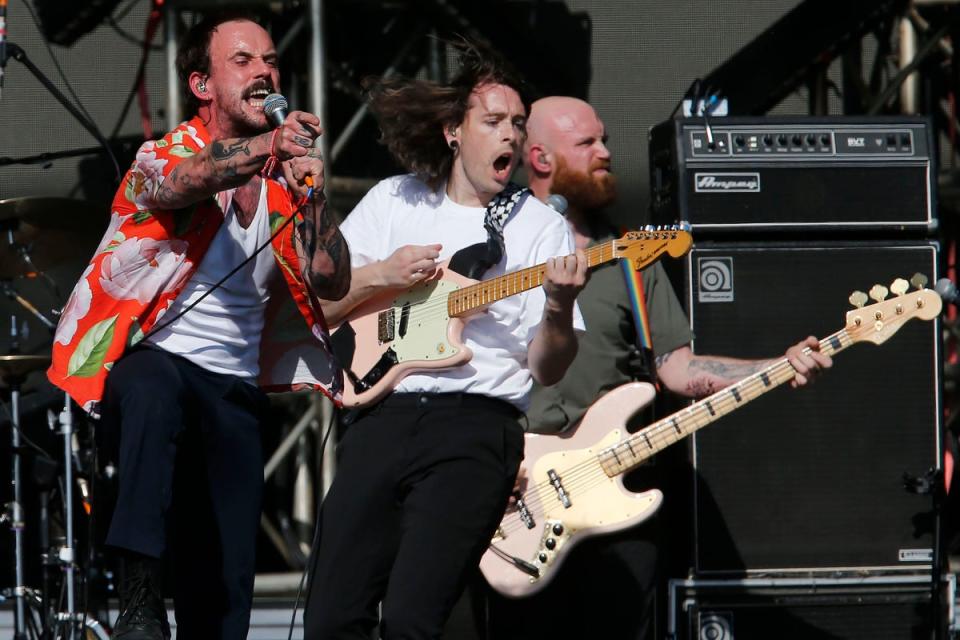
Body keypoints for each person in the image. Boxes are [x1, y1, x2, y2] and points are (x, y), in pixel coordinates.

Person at [479, 96, 833, 640]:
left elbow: (677, 368)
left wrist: (777, 365)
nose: (605, 153)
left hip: (614, 497)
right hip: (515, 493)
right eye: (588, 143)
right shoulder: (491, 249)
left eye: (604, 140)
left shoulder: (627, 255)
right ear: (541, 158)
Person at [46, 11, 350, 640]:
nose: (264, 71)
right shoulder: (164, 152)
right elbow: (189, 179)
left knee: (223, 593)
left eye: (270, 61)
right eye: (243, 61)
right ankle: (137, 605)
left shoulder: (283, 183)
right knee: (154, 393)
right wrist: (271, 145)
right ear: (202, 85)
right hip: (155, 356)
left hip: (234, 387)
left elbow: (330, 280)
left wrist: (313, 191)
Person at [302, 46, 588, 640]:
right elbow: (319, 308)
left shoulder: (542, 228)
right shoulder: (394, 199)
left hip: (473, 427)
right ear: (453, 131)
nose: (508, 135)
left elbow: (548, 366)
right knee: (331, 618)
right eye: (492, 121)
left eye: (516, 124)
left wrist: (558, 306)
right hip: (382, 416)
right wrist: (382, 275)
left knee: (412, 619)